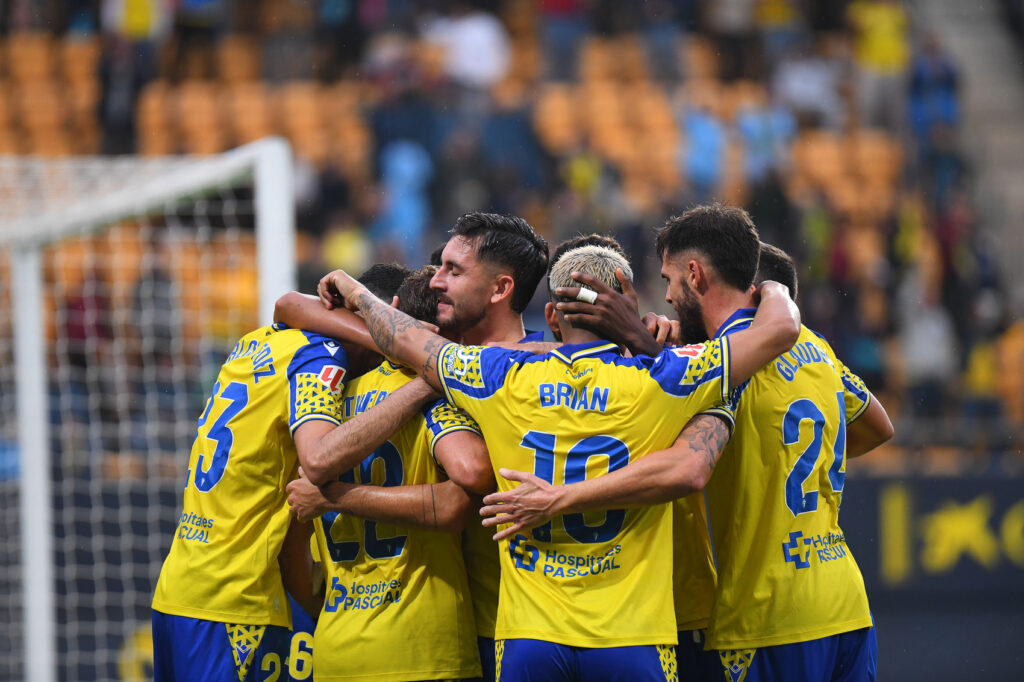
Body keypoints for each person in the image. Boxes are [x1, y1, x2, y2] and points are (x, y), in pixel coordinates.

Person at [316, 239, 800, 681]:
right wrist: (774, 284)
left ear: (552, 313)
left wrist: (354, 291)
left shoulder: (499, 374)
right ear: (627, 304)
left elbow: (405, 339)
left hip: (531, 636)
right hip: (630, 637)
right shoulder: (664, 377)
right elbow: (780, 328)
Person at [482, 208, 893, 682]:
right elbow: (878, 427)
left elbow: (685, 458)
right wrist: (777, 456)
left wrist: (636, 341)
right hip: (845, 601)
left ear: (694, 274)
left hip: (768, 615)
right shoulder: (817, 349)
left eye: (670, 281)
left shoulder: (712, 365)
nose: (669, 299)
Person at [279, 211, 551, 680]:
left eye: (454, 270)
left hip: (532, 626)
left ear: (500, 289)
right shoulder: (427, 371)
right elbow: (291, 306)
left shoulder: (547, 369)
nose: (438, 280)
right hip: (461, 628)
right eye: (440, 268)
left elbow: (467, 478)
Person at [150, 264, 408, 682]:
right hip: (233, 600)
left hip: (180, 587)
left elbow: (288, 304)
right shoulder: (320, 356)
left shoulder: (257, 342)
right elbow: (318, 458)